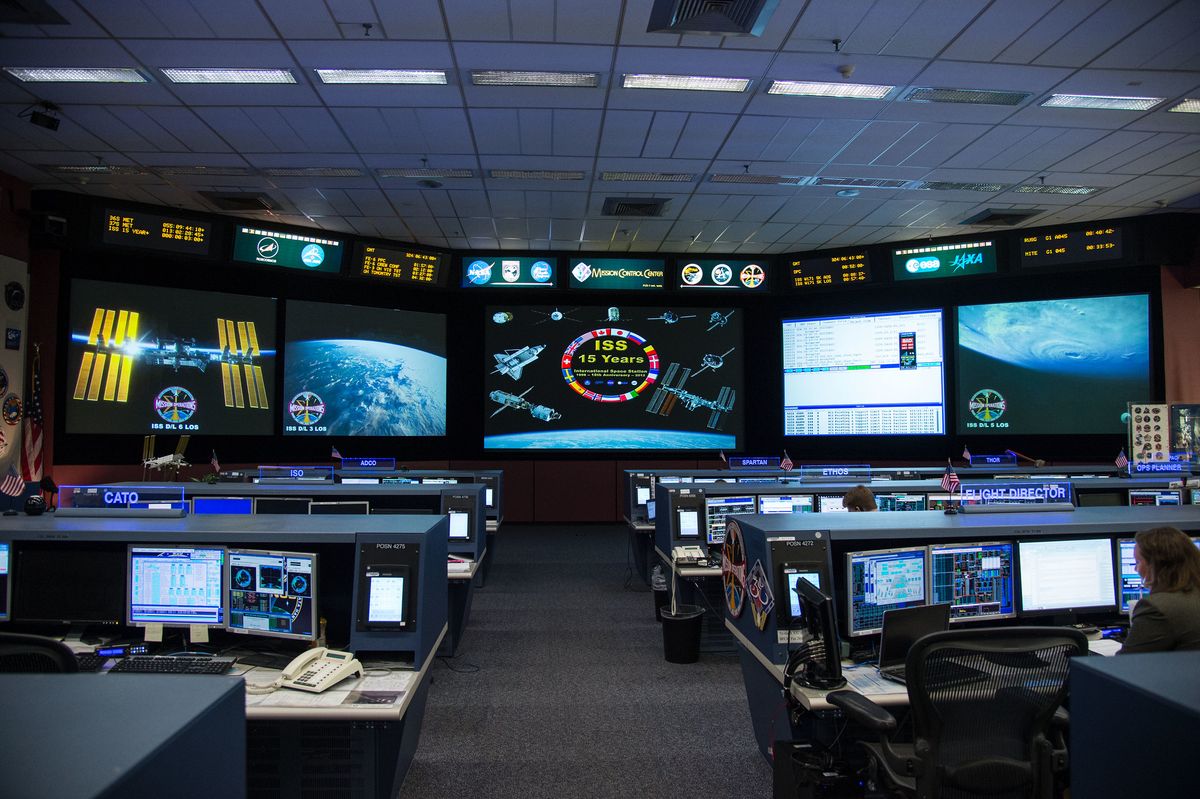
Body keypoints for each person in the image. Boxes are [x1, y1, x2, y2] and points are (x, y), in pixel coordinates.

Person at [1119, 525, 1200, 654]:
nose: (1136, 569)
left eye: (1138, 562)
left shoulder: (1157, 608)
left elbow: (1124, 664)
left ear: (1155, 565)